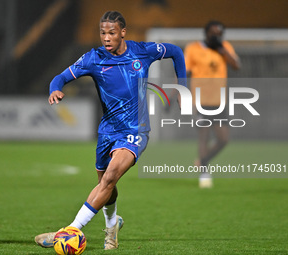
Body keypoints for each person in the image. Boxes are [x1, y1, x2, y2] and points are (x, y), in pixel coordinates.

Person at [35, 11, 186, 250]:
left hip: (136, 129)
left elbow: (176, 52)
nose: (106, 38)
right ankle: (112, 224)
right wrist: (55, 89)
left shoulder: (142, 51)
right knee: (107, 186)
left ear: (123, 32)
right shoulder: (93, 58)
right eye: (103, 33)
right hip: (107, 131)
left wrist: (182, 86)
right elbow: (60, 77)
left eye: (112, 33)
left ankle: (69, 230)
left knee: (110, 176)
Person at [184, 21, 240, 188]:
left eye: (220, 33)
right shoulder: (193, 49)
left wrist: (222, 50)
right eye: (214, 33)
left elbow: (237, 65)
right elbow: (183, 72)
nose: (217, 36)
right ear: (206, 33)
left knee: (223, 140)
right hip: (200, 100)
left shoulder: (225, 47)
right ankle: (204, 173)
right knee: (204, 136)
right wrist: (174, 95)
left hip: (220, 101)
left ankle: (202, 161)